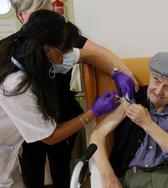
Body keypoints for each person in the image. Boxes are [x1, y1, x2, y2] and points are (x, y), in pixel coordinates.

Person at [9, 1, 138, 188]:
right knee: (31, 170)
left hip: (62, 114)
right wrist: (92, 112)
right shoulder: (15, 72)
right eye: (38, 13)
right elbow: (49, 136)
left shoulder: (58, 34)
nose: (62, 58)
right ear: (21, 16)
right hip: (25, 128)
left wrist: (120, 72)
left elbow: (88, 53)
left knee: (62, 168)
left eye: (49, 11)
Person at [90, 52, 168, 188]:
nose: (158, 91)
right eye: (156, 81)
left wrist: (147, 123)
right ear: (150, 75)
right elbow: (96, 136)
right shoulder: (131, 98)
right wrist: (108, 175)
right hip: (131, 178)